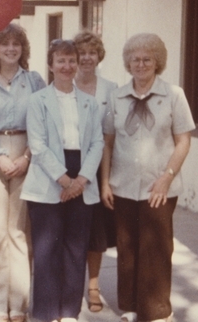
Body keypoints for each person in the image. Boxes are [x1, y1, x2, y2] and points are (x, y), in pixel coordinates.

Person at [101, 33, 195, 322]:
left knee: (157, 248)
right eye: (135, 59)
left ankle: (156, 311)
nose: (140, 64)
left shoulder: (174, 95)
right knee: (127, 249)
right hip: (123, 185)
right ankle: (130, 307)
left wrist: (167, 177)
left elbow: (183, 141)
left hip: (159, 187)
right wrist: (105, 182)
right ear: (128, 63)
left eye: (147, 59)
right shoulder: (116, 97)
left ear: (157, 63)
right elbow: (108, 142)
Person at [21, 39, 104, 322]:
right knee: (47, 249)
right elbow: (38, 145)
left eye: (72, 60)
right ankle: (45, 314)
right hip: (50, 178)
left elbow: (97, 143)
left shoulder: (90, 103)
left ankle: (69, 311)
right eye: (61, 61)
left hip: (82, 175)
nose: (67, 66)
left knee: (75, 247)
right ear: (51, 65)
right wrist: (64, 180)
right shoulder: (38, 101)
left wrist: (80, 180)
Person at [0, 23, 45, 322]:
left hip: (27, 152)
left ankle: (18, 306)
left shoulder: (34, 81)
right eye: (5, 44)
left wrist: (27, 156)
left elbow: (44, 121)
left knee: (18, 231)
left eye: (16, 44)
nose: (11, 49)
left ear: (23, 49)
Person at [73, 29, 118, 313]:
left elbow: (110, 138)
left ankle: (93, 286)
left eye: (92, 52)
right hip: (69, 165)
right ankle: (69, 286)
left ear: (99, 56)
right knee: (70, 230)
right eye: (81, 53)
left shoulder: (111, 89)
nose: (86, 58)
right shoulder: (65, 84)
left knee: (95, 233)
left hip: (100, 164)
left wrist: (105, 182)